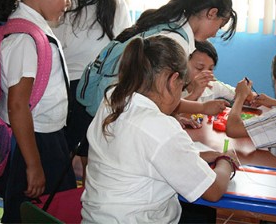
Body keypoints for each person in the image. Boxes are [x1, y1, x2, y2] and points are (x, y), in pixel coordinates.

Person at [81, 35, 237, 223]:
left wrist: (198, 156)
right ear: (173, 80)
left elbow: (138, 155)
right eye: (182, 87)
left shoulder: (113, 98)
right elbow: (212, 191)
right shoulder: (159, 127)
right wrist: (227, 160)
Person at [0, 0, 77, 223]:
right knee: (33, 213)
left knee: (54, 206)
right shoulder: (24, 39)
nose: (68, 2)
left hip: (47, 136)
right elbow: (18, 104)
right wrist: (33, 165)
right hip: (35, 142)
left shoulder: (34, 29)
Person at [82, 0, 238, 120]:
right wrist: (201, 108)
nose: (216, 33)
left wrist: (175, 118)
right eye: (220, 25)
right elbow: (159, 98)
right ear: (212, 13)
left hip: (113, 104)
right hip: (117, 111)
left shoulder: (171, 26)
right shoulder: (175, 41)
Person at [52, 0, 132, 181]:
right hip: (96, 89)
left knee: (80, 149)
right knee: (90, 150)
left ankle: (79, 195)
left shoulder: (75, 4)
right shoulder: (112, 3)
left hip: (82, 88)